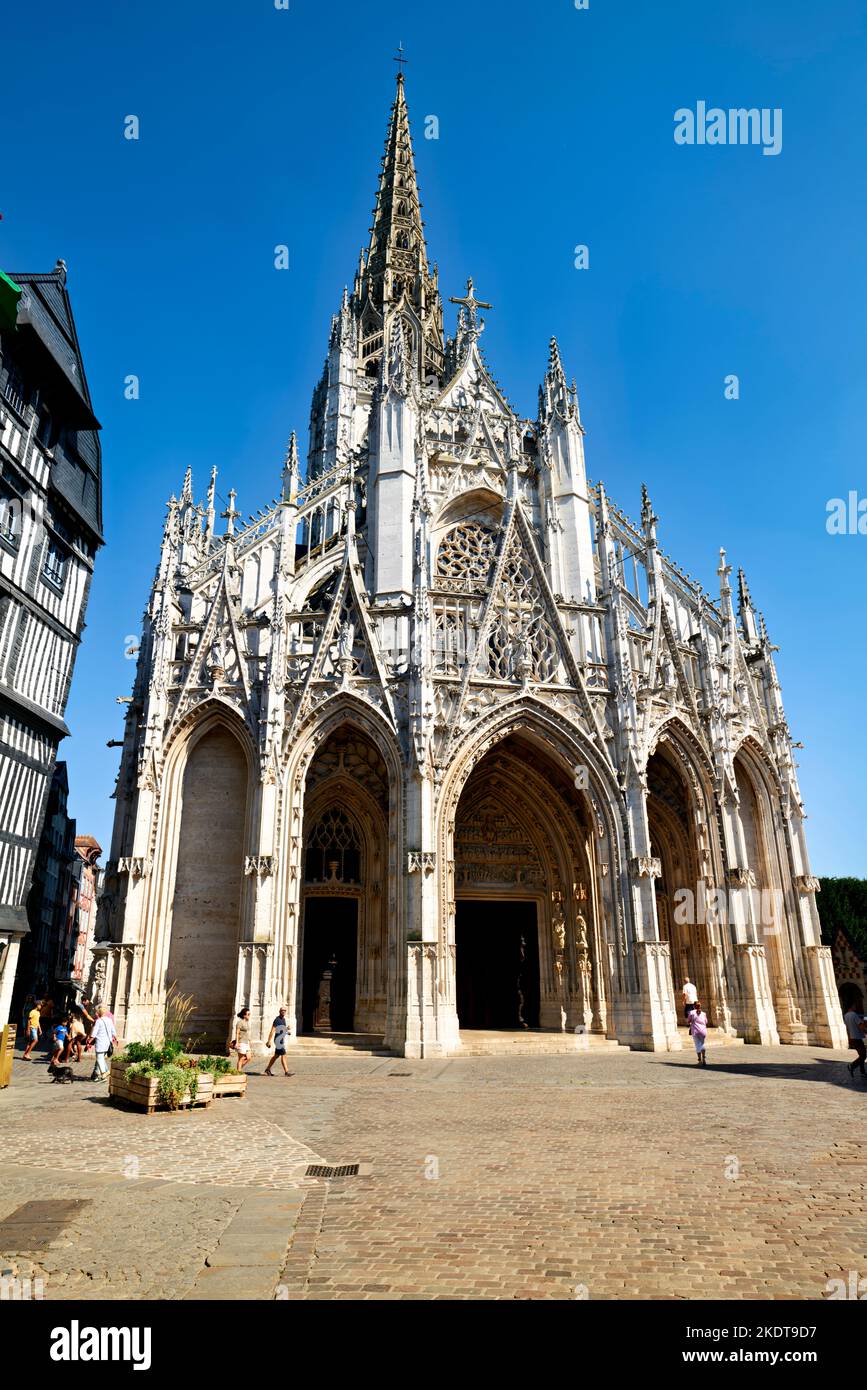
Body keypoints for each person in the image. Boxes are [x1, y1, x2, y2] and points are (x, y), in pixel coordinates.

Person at [89, 1005, 117, 1082]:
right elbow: (113, 1031)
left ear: (99, 1013)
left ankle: (104, 1074)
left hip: (100, 1042)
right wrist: (115, 1039)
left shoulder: (99, 1021)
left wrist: (90, 1040)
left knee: (99, 1058)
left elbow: (94, 1033)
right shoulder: (109, 1020)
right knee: (101, 1058)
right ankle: (104, 1072)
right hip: (107, 1042)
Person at [264, 1006, 293, 1077]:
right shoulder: (277, 1020)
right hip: (278, 1041)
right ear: (279, 1011)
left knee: (276, 1056)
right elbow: (272, 1030)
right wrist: (269, 1041)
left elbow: (281, 1030)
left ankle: (267, 1069)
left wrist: (287, 1031)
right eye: (282, 1010)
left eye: (284, 1010)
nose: (283, 1011)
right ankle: (286, 1072)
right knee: (283, 1055)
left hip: (281, 1040)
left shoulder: (283, 1020)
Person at [843, 1002, 867, 1079]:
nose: (855, 1006)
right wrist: (866, 1031)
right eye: (854, 1005)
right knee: (863, 1056)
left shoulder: (846, 1015)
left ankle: (862, 1072)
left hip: (853, 1038)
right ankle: (852, 1065)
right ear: (851, 1006)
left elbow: (847, 1028)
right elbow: (861, 1026)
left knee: (861, 1055)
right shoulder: (854, 1015)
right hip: (857, 1038)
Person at [230, 1007, 252, 1072]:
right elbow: (237, 1032)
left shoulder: (247, 1022)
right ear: (244, 1015)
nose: (249, 1016)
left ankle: (237, 1070)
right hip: (241, 1042)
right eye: (248, 1014)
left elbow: (247, 1033)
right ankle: (238, 1071)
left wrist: (249, 1041)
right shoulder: (240, 1022)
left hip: (246, 1042)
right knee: (241, 1059)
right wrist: (237, 1042)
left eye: (249, 1014)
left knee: (249, 1058)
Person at [688, 1000, 708, 1066]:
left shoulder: (692, 1012)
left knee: (697, 1045)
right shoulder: (703, 1013)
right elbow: (706, 1022)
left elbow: (689, 1021)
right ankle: (704, 1058)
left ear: (694, 1006)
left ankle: (700, 1060)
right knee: (702, 1044)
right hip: (703, 1031)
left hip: (696, 1031)